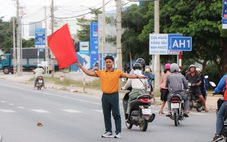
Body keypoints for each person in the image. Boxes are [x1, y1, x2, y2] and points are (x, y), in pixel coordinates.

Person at [76, 55, 146, 139]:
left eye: (110, 62)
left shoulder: (117, 72)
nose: (108, 63)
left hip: (114, 95)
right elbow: (89, 73)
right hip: (105, 96)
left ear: (113, 63)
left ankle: (118, 132)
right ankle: (108, 131)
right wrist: (81, 67)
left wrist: (138, 76)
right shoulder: (101, 72)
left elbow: (127, 75)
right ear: (105, 63)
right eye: (107, 62)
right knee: (106, 114)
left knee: (116, 114)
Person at [211, 74, 227, 142]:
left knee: (220, 115)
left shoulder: (226, 76)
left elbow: (220, 86)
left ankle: (218, 134)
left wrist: (216, 91)